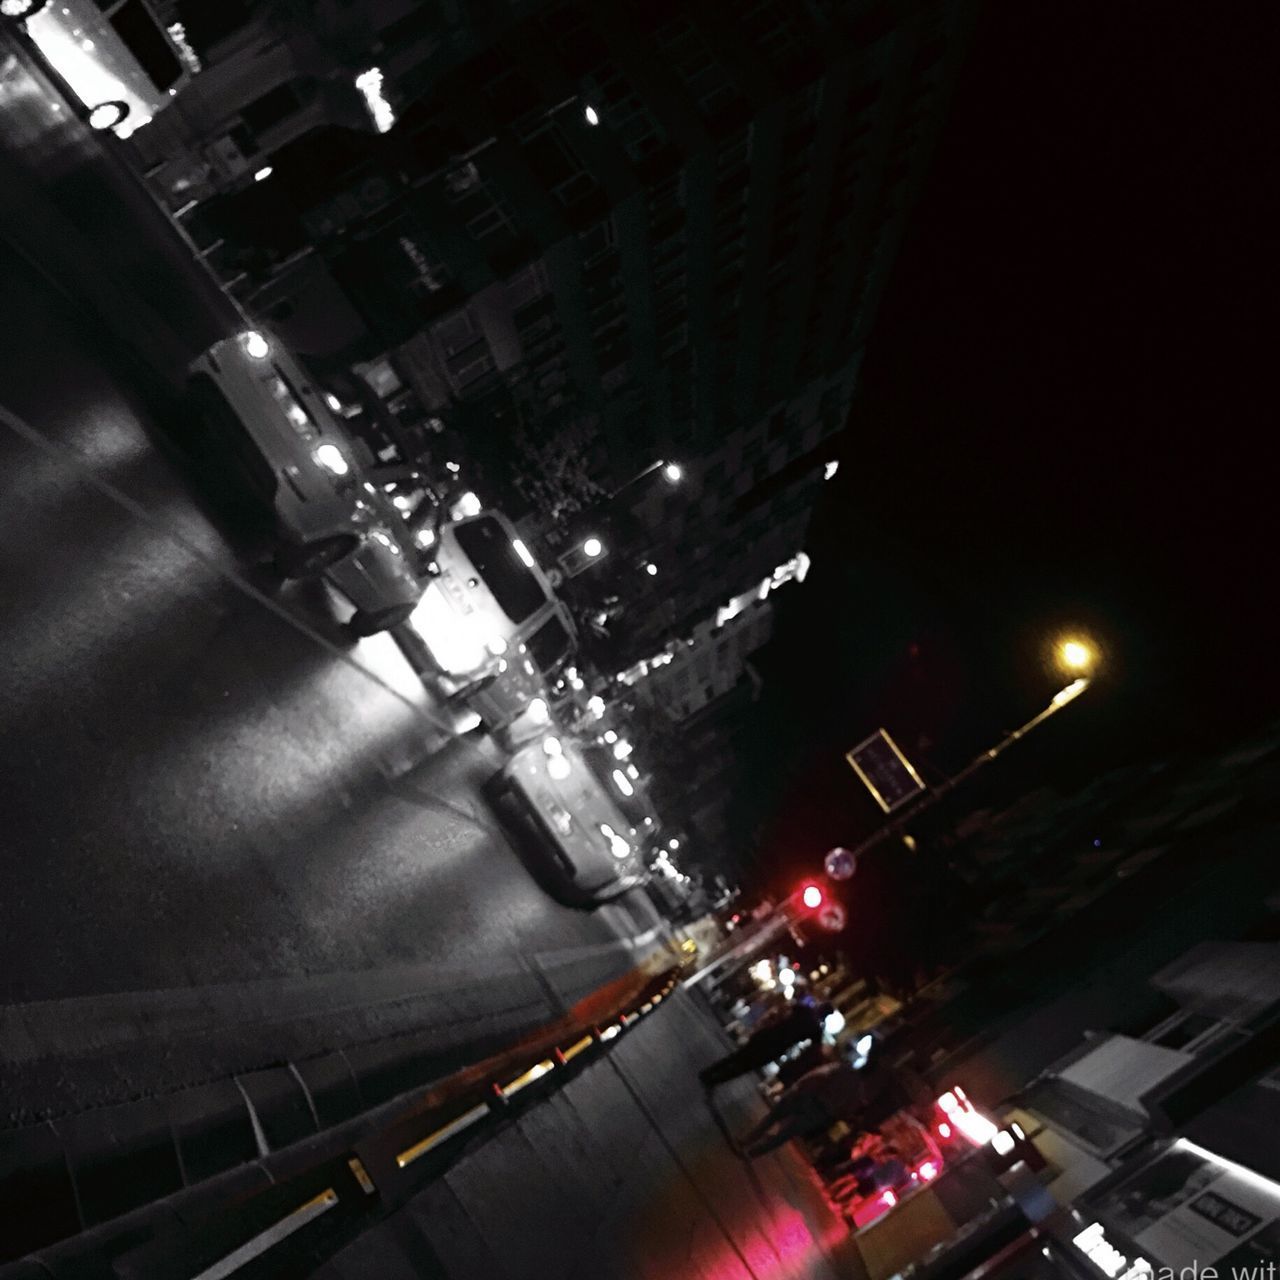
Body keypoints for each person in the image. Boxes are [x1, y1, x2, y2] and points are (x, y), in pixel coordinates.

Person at [738, 1051, 892, 1158]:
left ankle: (748, 1139)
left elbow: (819, 1076)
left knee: (775, 1116)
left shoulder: (843, 1069)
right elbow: (844, 1113)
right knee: (784, 1135)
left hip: (809, 1097)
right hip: (820, 1112)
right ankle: (753, 1152)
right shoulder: (858, 1093)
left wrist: (798, 1087)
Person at [700, 1000, 834, 1089]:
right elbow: (815, 1047)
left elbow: (784, 1008)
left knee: (739, 1055)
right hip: (778, 1047)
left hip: (769, 1035)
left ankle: (710, 1072)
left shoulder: (805, 1010)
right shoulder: (816, 1028)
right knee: (747, 1066)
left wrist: (771, 1022)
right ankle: (716, 1080)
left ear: (820, 1006)